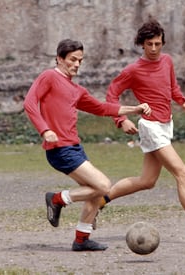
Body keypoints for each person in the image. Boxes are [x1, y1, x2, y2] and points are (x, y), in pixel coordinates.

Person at [99, 19, 185, 242]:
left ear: (163, 43)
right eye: (149, 44)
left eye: (158, 44)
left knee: (147, 181)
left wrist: (183, 101)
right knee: (183, 174)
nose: (154, 49)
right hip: (149, 126)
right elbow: (112, 94)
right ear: (142, 44)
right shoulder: (133, 70)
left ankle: (99, 201)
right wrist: (120, 119)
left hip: (165, 124)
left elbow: (172, 89)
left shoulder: (167, 61)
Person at [24, 39, 151, 252]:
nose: (76, 64)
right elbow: (29, 103)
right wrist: (45, 130)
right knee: (103, 186)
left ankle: (82, 239)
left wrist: (134, 109)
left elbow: (101, 108)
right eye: (72, 59)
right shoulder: (49, 77)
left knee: (95, 193)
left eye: (80, 61)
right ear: (59, 58)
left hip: (74, 147)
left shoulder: (76, 90)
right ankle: (57, 199)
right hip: (59, 149)